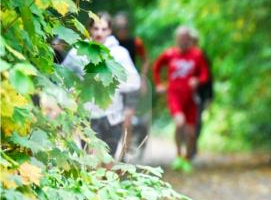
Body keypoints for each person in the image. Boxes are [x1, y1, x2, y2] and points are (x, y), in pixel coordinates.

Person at [62, 13, 141, 159]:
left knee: (108, 161)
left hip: (113, 115)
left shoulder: (120, 53)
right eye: (96, 28)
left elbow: (134, 81)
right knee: (92, 160)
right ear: (89, 29)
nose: (99, 33)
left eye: (104, 29)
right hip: (87, 114)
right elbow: (63, 77)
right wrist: (71, 93)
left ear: (110, 31)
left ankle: (106, 179)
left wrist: (109, 81)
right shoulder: (77, 52)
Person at [152, 25, 209, 171]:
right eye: (180, 38)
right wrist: (158, 84)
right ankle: (178, 155)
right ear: (176, 39)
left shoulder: (197, 55)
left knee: (191, 133)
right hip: (174, 95)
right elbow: (157, 66)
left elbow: (205, 74)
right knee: (179, 123)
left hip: (191, 98)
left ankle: (186, 159)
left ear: (190, 40)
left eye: (186, 39)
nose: (183, 41)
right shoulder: (170, 54)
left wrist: (197, 80)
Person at [112, 12, 149, 159]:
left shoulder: (136, 42)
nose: (122, 30)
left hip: (130, 85)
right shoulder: (109, 43)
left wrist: (143, 78)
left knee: (128, 121)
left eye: (124, 27)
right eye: (119, 27)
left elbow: (145, 59)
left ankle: (124, 157)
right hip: (113, 87)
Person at [189, 29, 214, 159]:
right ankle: (186, 146)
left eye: (193, 40)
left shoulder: (202, 56)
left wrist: (209, 97)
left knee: (197, 121)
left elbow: (209, 78)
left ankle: (193, 145)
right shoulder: (179, 54)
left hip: (199, 95)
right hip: (183, 96)